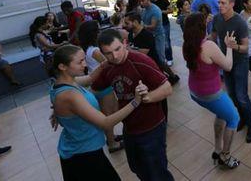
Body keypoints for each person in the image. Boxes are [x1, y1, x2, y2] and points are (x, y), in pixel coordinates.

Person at [50, 45, 148, 181]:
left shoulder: (66, 82)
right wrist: (135, 102)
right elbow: (105, 123)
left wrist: (105, 63)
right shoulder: (69, 95)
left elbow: (89, 78)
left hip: (84, 149)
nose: (84, 64)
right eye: (80, 62)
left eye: (84, 60)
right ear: (62, 66)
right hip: (82, 156)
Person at [91, 29, 175, 181]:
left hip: (151, 127)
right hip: (129, 128)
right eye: (108, 53)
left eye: (117, 49)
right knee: (137, 168)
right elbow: (94, 88)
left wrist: (146, 97)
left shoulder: (140, 61)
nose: (115, 56)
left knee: (157, 173)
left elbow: (167, 88)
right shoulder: (108, 67)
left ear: (124, 43)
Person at [183, 13, 241, 169]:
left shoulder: (187, 44)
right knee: (234, 118)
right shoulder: (208, 46)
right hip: (210, 94)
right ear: (202, 28)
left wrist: (205, 19)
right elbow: (228, 66)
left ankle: (217, 149)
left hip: (195, 92)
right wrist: (229, 47)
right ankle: (225, 156)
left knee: (221, 114)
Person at [211, 0, 251, 143]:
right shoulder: (217, 18)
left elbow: (245, 48)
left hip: (240, 62)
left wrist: (233, 45)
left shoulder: (239, 22)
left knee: (242, 97)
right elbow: (212, 36)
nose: (220, 6)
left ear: (232, 4)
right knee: (232, 95)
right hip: (225, 62)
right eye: (219, 3)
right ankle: (243, 118)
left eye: (223, 3)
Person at [78, 21, 123, 152]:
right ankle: (112, 143)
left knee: (109, 112)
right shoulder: (96, 50)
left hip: (98, 84)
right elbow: (109, 62)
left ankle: (112, 137)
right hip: (103, 85)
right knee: (110, 115)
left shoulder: (88, 49)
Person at [123, 12, 180, 86]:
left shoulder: (146, 35)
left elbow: (142, 54)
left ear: (135, 22)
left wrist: (127, 49)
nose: (124, 25)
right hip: (144, 65)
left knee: (161, 82)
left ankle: (172, 78)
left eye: (127, 23)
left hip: (152, 65)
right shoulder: (131, 33)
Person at [139, 0, 168, 67]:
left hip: (158, 36)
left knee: (160, 57)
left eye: (143, 1)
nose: (141, 3)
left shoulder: (155, 10)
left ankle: (168, 75)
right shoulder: (145, 9)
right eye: (140, 1)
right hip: (150, 36)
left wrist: (141, 26)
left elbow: (153, 26)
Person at [151, 0, 174, 66]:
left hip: (164, 23)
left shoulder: (164, 1)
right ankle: (161, 58)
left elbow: (171, 10)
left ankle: (169, 58)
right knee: (157, 42)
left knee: (166, 41)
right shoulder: (150, 2)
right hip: (154, 25)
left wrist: (160, 12)